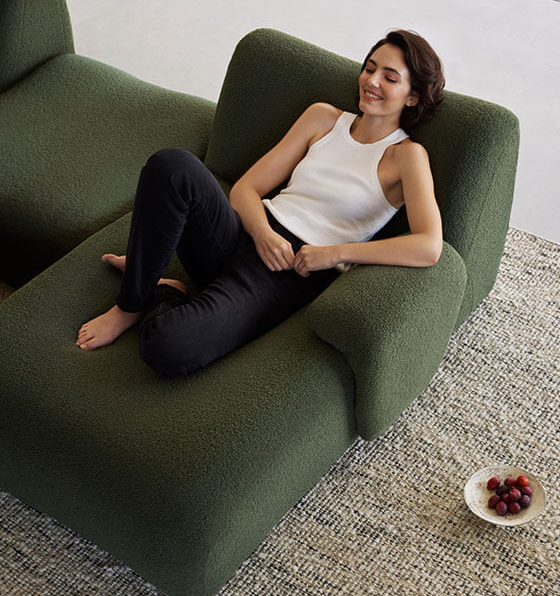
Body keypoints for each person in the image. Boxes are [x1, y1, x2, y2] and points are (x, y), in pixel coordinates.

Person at [76, 29, 446, 377]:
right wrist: (263, 233)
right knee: (172, 166)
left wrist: (334, 254)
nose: (372, 81)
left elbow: (428, 246)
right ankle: (130, 303)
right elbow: (246, 189)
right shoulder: (323, 118)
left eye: (390, 78)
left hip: (290, 273)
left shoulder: (407, 156)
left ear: (412, 97)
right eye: (369, 68)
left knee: (166, 346)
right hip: (248, 231)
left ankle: (165, 291)